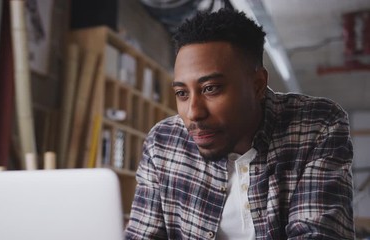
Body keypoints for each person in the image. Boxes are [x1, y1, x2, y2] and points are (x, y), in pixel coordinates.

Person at [125, 8, 354, 239]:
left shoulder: (317, 125)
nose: (193, 113)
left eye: (210, 89)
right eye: (182, 93)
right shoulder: (162, 142)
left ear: (257, 85)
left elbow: (318, 234)